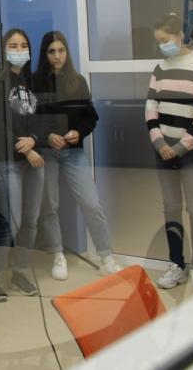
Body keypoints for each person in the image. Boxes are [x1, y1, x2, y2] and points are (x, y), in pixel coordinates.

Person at [32, 30, 121, 281]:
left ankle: (106, 257)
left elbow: (90, 117)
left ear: (67, 52)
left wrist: (77, 132)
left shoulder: (77, 81)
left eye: (61, 50)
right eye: (51, 51)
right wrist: (47, 136)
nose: (57, 56)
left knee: (91, 203)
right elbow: (29, 120)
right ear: (45, 54)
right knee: (49, 205)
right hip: (46, 152)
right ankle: (57, 254)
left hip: (73, 152)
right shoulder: (35, 83)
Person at [146, 13, 193, 292]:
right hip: (163, 150)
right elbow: (150, 108)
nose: (162, 46)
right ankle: (177, 264)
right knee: (171, 207)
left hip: (192, 151)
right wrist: (159, 143)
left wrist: (179, 147)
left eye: (165, 40)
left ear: (180, 35)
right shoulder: (159, 69)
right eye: (158, 42)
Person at [0, 28, 46, 300]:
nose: (19, 50)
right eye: (13, 45)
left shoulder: (35, 80)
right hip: (9, 161)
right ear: (4, 49)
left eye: (23, 45)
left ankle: (20, 272)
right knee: (13, 221)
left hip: (35, 158)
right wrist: (26, 149)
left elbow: (44, 118)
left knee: (31, 221)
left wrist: (34, 140)